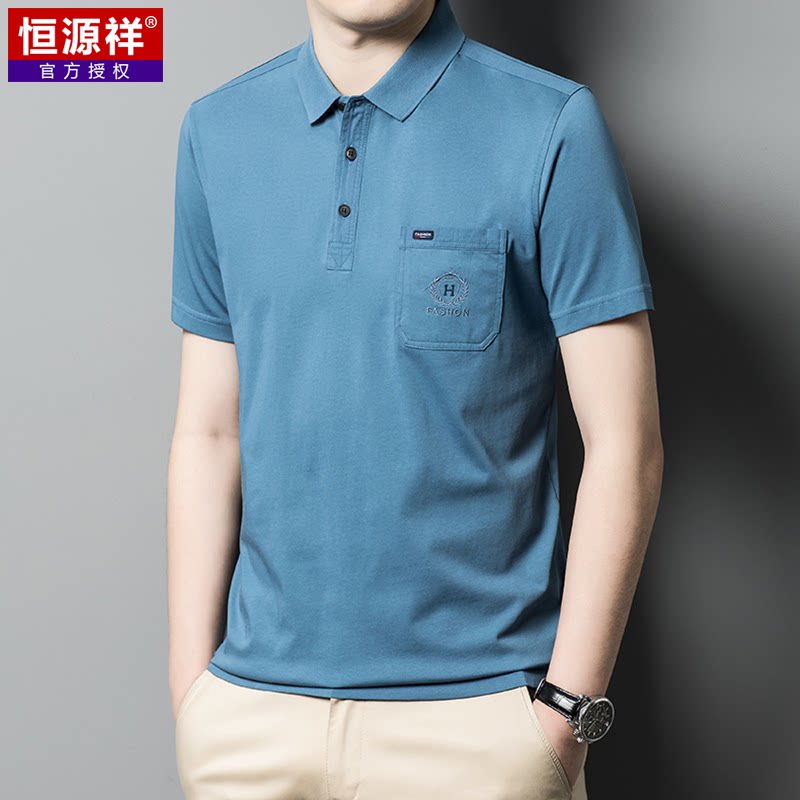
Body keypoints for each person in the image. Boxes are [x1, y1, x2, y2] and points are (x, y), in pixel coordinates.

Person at [166, 0, 664, 798]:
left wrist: (564, 714)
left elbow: (625, 444)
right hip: (251, 720)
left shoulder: (551, 125)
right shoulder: (218, 132)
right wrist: (195, 695)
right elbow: (208, 432)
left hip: (479, 722)